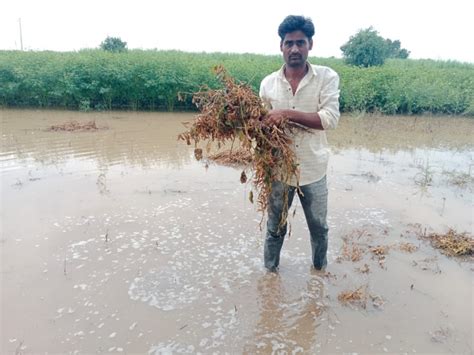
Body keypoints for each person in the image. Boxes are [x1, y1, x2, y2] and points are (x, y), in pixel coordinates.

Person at [259, 15, 340, 272]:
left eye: (300, 43)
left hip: (313, 170)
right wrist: (254, 128)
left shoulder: (326, 77)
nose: (294, 49)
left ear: (310, 45)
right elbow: (262, 124)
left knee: (319, 228)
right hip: (279, 170)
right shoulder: (268, 84)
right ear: (281, 47)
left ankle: (320, 272)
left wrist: (286, 114)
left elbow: (330, 119)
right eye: (289, 43)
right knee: (275, 228)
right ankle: (269, 277)